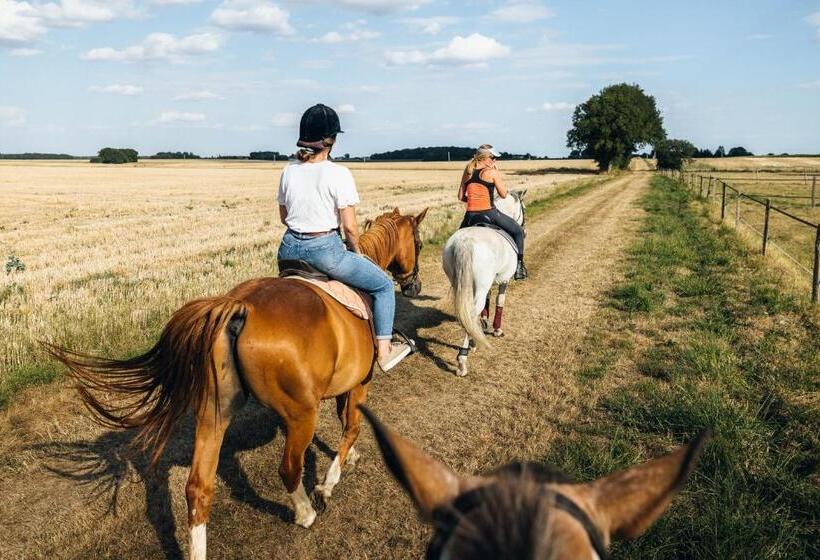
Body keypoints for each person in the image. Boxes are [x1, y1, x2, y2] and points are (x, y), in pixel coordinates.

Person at [276, 104, 412, 371]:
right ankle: (384, 350)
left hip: (288, 249)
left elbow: (284, 216)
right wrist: (355, 251)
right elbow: (350, 227)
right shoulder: (339, 173)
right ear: (331, 141)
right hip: (325, 250)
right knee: (383, 285)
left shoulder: (288, 170)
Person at [458, 144, 528, 280]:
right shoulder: (492, 172)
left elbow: (461, 197)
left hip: (470, 216)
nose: (495, 161)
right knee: (518, 231)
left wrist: (474, 200)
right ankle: (519, 266)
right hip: (489, 214)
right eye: (494, 158)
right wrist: (497, 174)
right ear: (486, 157)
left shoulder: (468, 171)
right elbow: (503, 194)